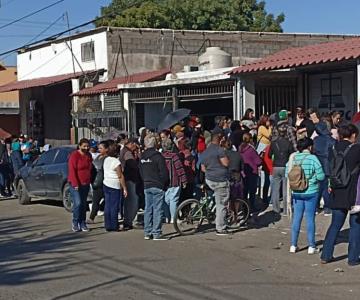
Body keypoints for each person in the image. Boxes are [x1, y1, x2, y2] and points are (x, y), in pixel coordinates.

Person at [321, 125, 360, 266]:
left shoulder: (333, 148)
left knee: (335, 225)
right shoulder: (356, 149)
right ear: (353, 135)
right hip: (354, 192)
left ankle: (326, 255)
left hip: (337, 190)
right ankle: (353, 258)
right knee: (356, 225)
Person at [286, 137, 325, 254]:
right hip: (311, 192)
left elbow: (287, 173)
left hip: (296, 192)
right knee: (310, 219)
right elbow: (321, 176)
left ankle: (293, 245)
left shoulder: (293, 158)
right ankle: (311, 246)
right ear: (310, 147)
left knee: (296, 218)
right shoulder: (313, 158)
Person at [140, 134, 169, 240]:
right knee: (157, 209)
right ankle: (156, 232)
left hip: (147, 184)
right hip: (157, 184)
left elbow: (141, 171)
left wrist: (144, 180)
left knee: (148, 209)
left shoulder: (142, 156)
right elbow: (164, 172)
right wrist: (164, 183)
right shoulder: (158, 156)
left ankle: (147, 232)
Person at [201, 129, 230, 235]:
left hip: (209, 179)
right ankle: (220, 228)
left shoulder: (206, 151)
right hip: (220, 180)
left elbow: (203, 168)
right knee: (221, 204)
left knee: (215, 197)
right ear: (220, 138)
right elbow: (226, 163)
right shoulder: (220, 150)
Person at [68, 138, 93, 232]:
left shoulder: (88, 155)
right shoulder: (74, 156)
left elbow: (90, 168)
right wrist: (75, 183)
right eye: (84, 146)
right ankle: (75, 222)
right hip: (75, 183)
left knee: (83, 204)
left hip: (85, 183)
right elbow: (72, 170)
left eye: (87, 146)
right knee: (78, 203)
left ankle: (82, 223)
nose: (86, 148)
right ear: (79, 146)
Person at [268, 126, 294, 215]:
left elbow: (269, 155)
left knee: (275, 189)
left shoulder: (273, 143)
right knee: (286, 189)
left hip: (276, 166)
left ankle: (276, 209)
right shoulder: (289, 143)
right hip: (285, 166)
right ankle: (286, 209)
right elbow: (292, 154)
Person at [103, 143, 128, 232]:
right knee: (114, 206)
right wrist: (124, 188)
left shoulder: (106, 159)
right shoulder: (116, 162)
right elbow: (120, 175)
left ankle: (107, 224)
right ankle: (114, 225)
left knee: (107, 205)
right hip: (114, 185)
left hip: (106, 183)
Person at [161, 138, 187, 223]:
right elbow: (179, 168)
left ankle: (167, 217)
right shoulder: (174, 156)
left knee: (166, 200)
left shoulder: (160, 156)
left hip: (164, 182)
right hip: (174, 180)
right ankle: (174, 218)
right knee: (174, 200)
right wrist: (184, 180)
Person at [313, 121, 336, 216]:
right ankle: (327, 207)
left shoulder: (316, 140)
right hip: (328, 165)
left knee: (318, 187)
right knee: (326, 188)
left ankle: (316, 207)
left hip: (317, 165)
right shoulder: (330, 140)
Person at [119, 138, 142, 230]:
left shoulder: (124, 151)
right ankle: (130, 220)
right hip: (130, 179)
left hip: (127, 178)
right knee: (133, 200)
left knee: (128, 201)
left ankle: (128, 220)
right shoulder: (127, 153)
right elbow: (133, 165)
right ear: (132, 144)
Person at [239, 133, 262, 212]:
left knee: (244, 190)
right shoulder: (251, 150)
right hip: (252, 172)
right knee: (252, 191)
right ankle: (251, 206)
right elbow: (258, 162)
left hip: (243, 172)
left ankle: (244, 207)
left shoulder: (240, 148)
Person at [87, 140, 108, 224]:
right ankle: (92, 217)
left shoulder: (107, 158)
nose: (99, 150)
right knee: (95, 200)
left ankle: (106, 216)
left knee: (105, 199)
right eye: (98, 148)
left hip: (103, 181)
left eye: (101, 148)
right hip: (96, 181)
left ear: (106, 149)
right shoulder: (98, 156)